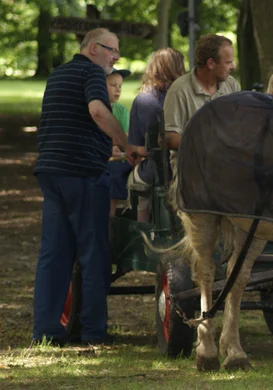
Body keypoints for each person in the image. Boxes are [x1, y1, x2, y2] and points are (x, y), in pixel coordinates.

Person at [32, 28, 135, 346]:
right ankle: (93, 331)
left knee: (54, 252)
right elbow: (98, 111)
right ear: (94, 48)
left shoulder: (58, 74)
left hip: (51, 171)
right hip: (83, 172)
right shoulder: (92, 73)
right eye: (112, 50)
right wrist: (126, 145)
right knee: (94, 253)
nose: (116, 57)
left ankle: (46, 332)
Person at [164, 34, 240, 175]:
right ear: (211, 63)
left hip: (228, 163)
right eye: (228, 62)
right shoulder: (180, 90)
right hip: (192, 167)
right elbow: (170, 137)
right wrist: (207, 147)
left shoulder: (231, 84)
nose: (233, 67)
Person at [127, 48, 186, 222]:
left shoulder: (143, 100)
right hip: (185, 170)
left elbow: (148, 149)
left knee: (133, 181)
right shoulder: (183, 95)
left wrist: (134, 150)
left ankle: (144, 229)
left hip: (158, 171)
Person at [106, 68, 132, 217]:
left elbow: (125, 138)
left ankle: (113, 217)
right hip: (101, 157)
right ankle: (110, 217)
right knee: (112, 174)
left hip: (118, 157)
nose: (118, 90)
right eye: (112, 85)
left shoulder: (122, 111)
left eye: (120, 86)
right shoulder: (93, 108)